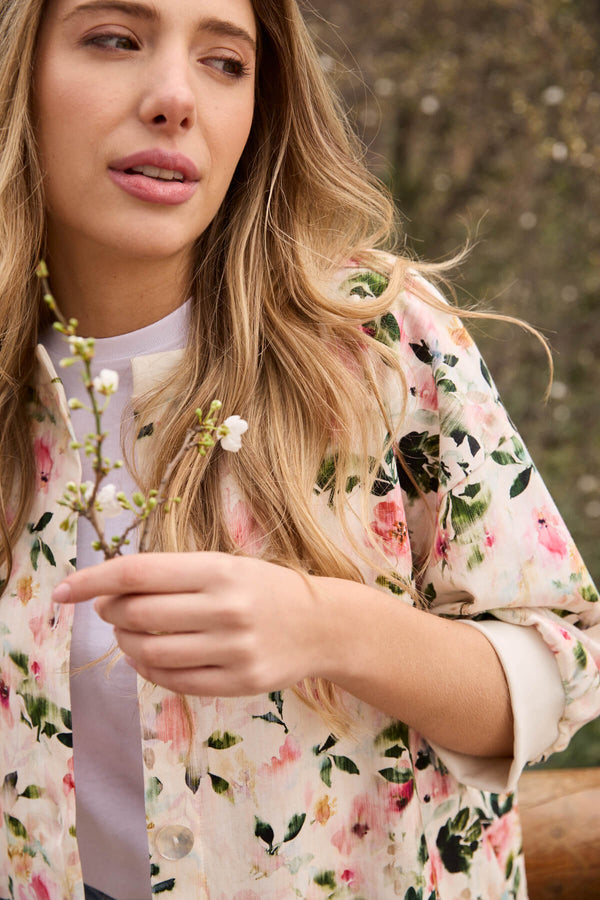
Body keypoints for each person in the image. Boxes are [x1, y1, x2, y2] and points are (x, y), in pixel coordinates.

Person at [0, 0, 598, 898]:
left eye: (225, 61)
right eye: (115, 39)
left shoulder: (379, 343)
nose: (175, 98)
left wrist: (328, 626)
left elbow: (565, 675)